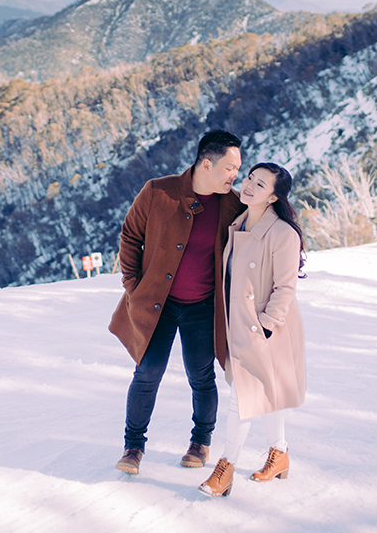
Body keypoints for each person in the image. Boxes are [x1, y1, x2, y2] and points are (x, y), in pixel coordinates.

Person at [109, 130, 245, 474]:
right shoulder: (158, 191)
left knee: (200, 376)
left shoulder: (234, 205)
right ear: (206, 164)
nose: (235, 175)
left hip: (203, 306)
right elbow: (130, 236)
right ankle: (133, 447)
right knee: (147, 372)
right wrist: (133, 286)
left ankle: (200, 441)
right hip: (158, 305)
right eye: (230, 168)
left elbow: (265, 233)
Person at [199, 162, 307, 498]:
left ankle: (226, 467)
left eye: (260, 185)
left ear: (273, 197)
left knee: (243, 398)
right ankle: (280, 453)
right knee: (263, 392)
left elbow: (285, 288)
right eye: (249, 179)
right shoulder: (239, 223)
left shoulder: (283, 234)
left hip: (266, 330)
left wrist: (266, 327)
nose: (248, 186)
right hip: (239, 324)